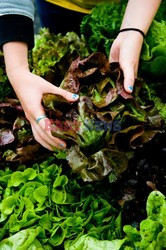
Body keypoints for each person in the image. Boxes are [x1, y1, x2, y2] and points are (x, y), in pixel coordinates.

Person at [0, 0, 162, 151]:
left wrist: (133, 29)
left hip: (136, 8)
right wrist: (17, 69)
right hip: (60, 5)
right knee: (62, 40)